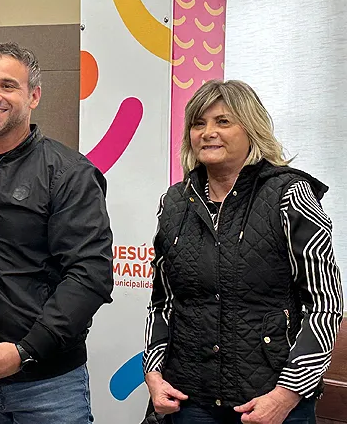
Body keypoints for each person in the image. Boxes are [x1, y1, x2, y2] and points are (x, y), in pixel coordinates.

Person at [143, 80, 343, 424]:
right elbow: (163, 301)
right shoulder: (174, 202)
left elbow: (324, 306)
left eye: (223, 121)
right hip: (189, 400)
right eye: (198, 123)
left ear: (251, 129)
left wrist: (287, 395)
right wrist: (153, 372)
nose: (208, 132)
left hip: (271, 402)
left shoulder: (290, 195)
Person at [0, 42, 114, 423]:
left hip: (48, 385)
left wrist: (26, 351)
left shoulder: (68, 173)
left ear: (34, 96)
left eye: (8, 85)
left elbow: (90, 275)